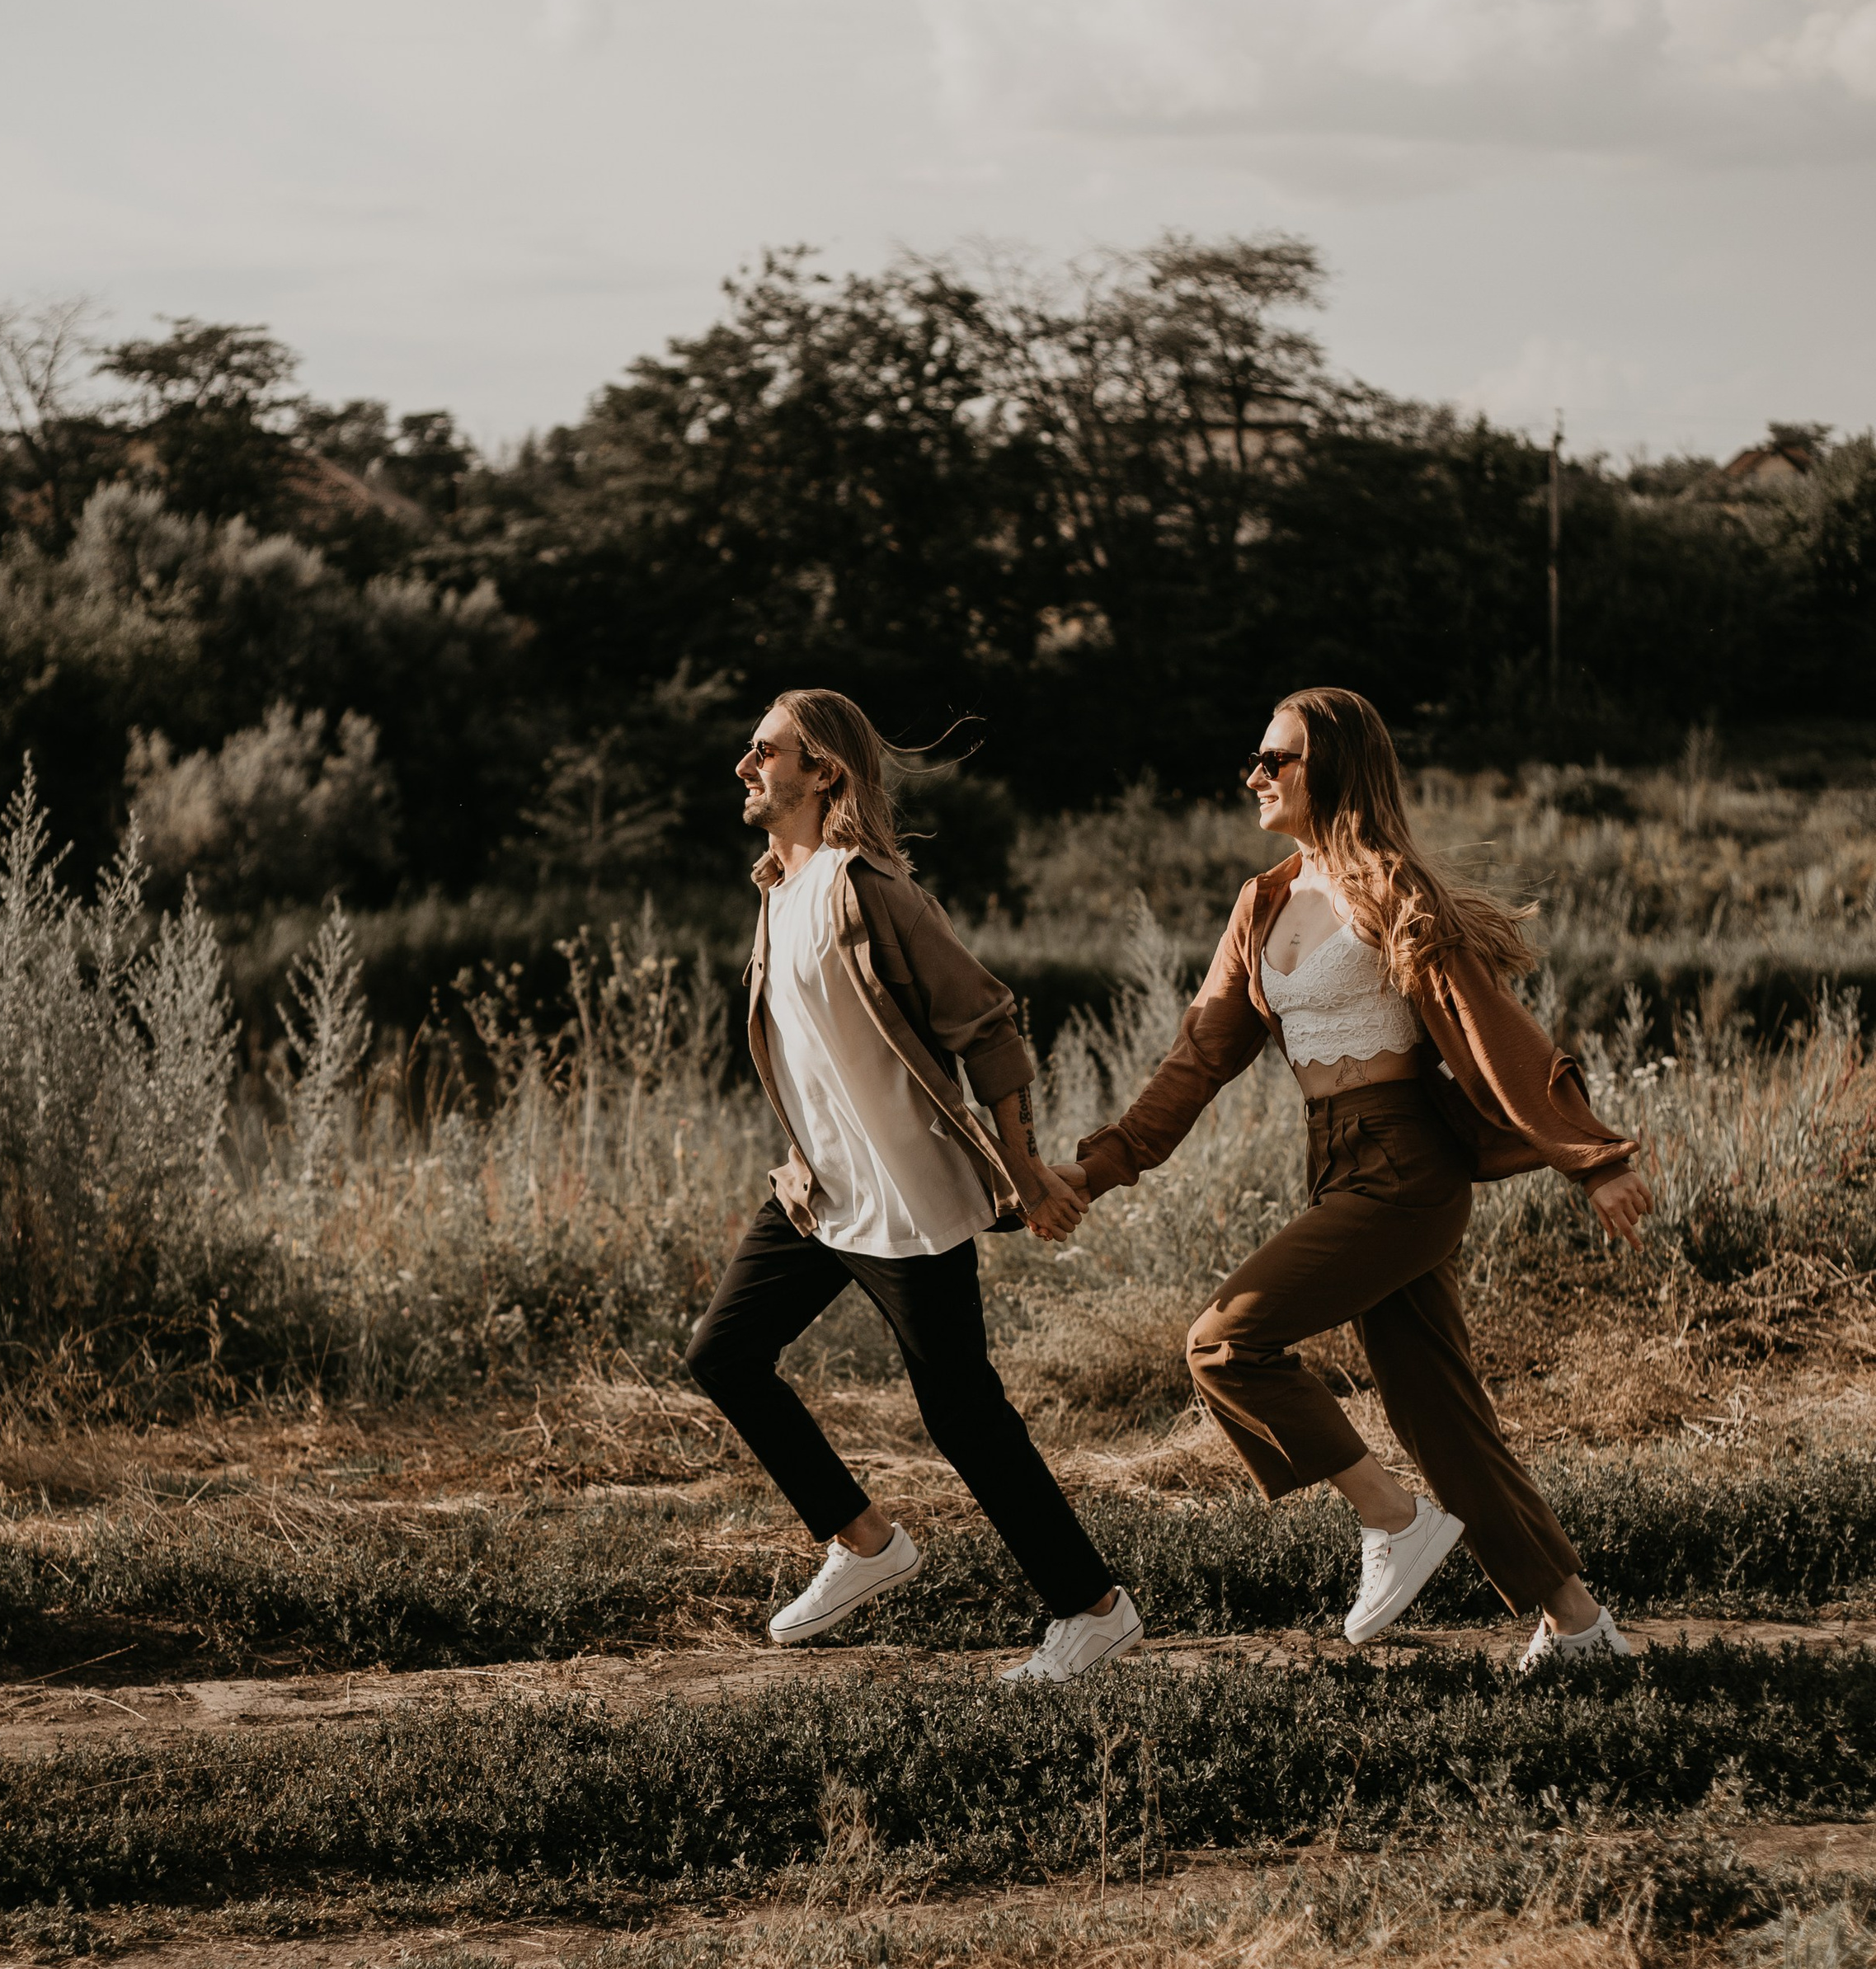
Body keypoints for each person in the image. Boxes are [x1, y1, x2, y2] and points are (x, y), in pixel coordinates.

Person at [1056, 687, 1653, 1668]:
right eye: (1255, 759)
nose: (1253, 774)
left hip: (1406, 1167)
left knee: (1223, 1343)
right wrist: (1099, 1165)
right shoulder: (1262, 903)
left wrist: (1591, 1159)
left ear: (1328, 768)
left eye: (1273, 759)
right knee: (1440, 1413)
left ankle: (1390, 1518)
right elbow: (1198, 1058)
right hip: (1332, 1161)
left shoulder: (1391, 892)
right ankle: (1580, 1626)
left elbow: (1491, 1032)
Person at [684, 688, 1142, 1685]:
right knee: (723, 1353)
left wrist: (1023, 1172)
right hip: (819, 1193)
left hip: (906, 1199)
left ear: (823, 773)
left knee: (962, 1413)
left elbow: (986, 1020)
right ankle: (863, 1540)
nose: (743, 766)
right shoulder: (775, 884)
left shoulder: (869, 889)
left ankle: (1092, 1607)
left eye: (764, 752)